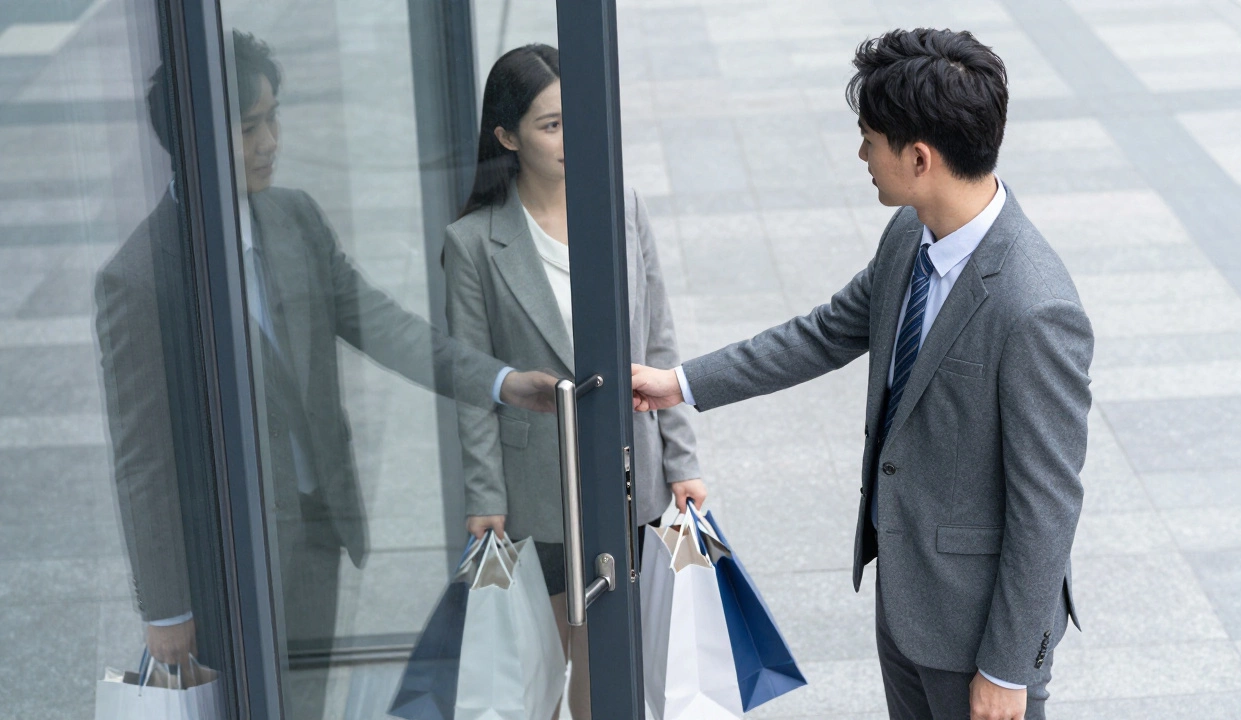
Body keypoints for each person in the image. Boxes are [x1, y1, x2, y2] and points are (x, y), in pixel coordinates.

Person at [631, 29, 1092, 720]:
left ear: (919, 157)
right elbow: (823, 333)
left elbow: (1046, 508)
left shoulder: (1035, 307)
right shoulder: (910, 233)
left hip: (978, 634)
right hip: (907, 603)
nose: (860, 155)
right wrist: (681, 383)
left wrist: (1006, 667)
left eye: (868, 138)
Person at [94, 29, 557, 717]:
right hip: (224, 559)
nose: (271, 140)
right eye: (250, 126)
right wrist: (167, 608)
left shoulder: (293, 218)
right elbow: (142, 462)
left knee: (301, 701)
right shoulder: (138, 279)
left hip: (317, 532)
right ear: (192, 136)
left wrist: (500, 381)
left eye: (273, 116)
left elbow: (387, 326)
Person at [443, 43, 705, 719]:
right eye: (551, 124)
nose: (571, 136)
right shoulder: (475, 241)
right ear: (507, 135)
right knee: (542, 669)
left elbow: (658, 340)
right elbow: (475, 379)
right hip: (540, 493)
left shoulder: (619, 205)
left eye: (576, 118)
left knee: (609, 668)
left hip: (628, 478)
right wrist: (484, 495)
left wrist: (684, 460)